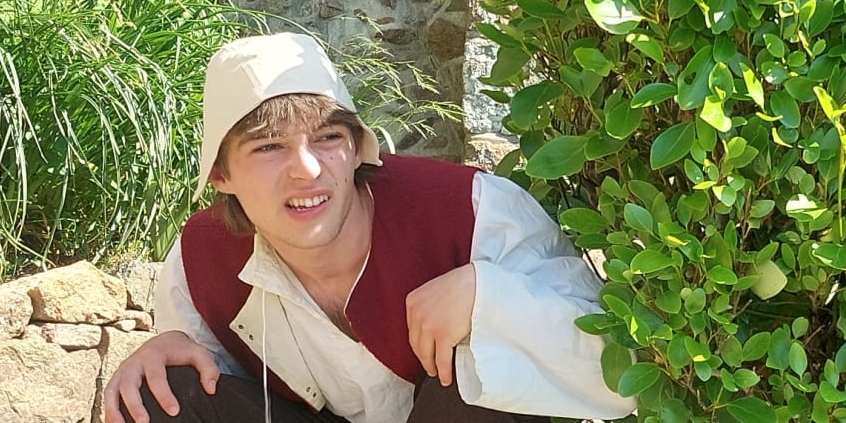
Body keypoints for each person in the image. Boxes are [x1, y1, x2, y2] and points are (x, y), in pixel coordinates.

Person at [100, 33, 636, 423]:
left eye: (328, 139)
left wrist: (488, 298)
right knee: (158, 393)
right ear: (221, 174)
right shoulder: (200, 260)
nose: (307, 169)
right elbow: (213, 385)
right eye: (269, 147)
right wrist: (160, 349)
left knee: (484, 370)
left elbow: (621, 376)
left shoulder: (472, 210)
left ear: (357, 148)